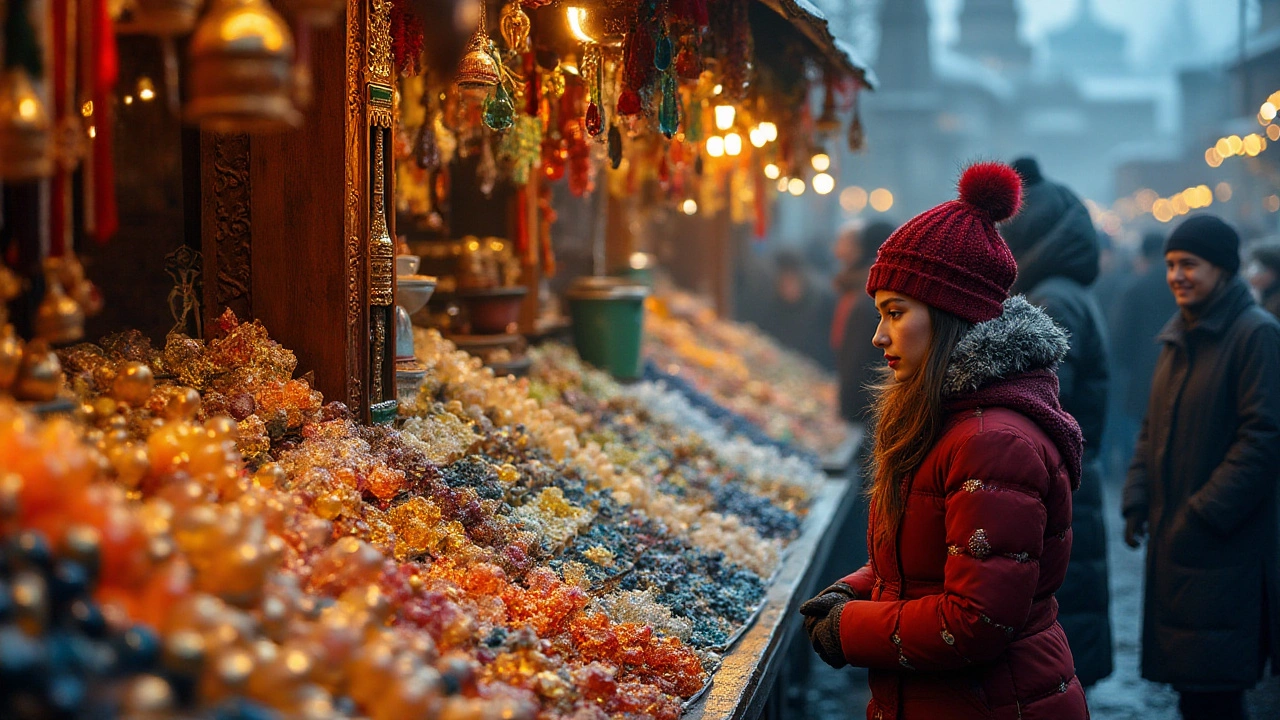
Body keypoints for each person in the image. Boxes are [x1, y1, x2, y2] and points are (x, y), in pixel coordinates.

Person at [800, 162, 1088, 720]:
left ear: (949, 313)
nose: (880, 335)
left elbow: (975, 620)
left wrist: (849, 629)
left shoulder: (991, 441)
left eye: (895, 312)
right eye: (879, 313)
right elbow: (935, 558)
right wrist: (856, 589)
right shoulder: (948, 417)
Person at [1121, 214, 1280, 720]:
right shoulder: (1180, 334)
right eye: (1170, 264)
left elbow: (1263, 437)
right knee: (1194, 687)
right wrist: (1137, 496)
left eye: (1189, 264)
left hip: (1222, 544)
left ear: (1223, 269)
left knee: (1216, 690)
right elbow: (1154, 425)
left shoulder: (1255, 335)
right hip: (1181, 540)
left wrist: (1203, 514)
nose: (1176, 275)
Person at [1000, 157, 1113, 688]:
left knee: (1052, 668)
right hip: (1067, 493)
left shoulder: (1052, 301)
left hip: (1056, 497)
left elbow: (1040, 410)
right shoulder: (1063, 293)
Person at [1109, 232, 1178, 480]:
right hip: (1182, 374)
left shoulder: (1135, 287)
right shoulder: (1184, 284)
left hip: (1142, 379)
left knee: (1140, 446)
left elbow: (1119, 341)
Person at [833, 220, 898, 425]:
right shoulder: (861, 289)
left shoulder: (868, 294)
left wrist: (848, 411)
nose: (837, 250)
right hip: (872, 403)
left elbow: (856, 359)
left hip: (869, 406)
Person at [757, 249, 836, 368]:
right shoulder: (772, 305)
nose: (789, 288)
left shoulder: (823, 301)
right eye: (783, 283)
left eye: (792, 281)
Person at [1247, 239, 1280, 319]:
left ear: (1274, 273)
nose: (1252, 274)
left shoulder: (1276, 305)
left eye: (1259, 269)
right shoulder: (1259, 295)